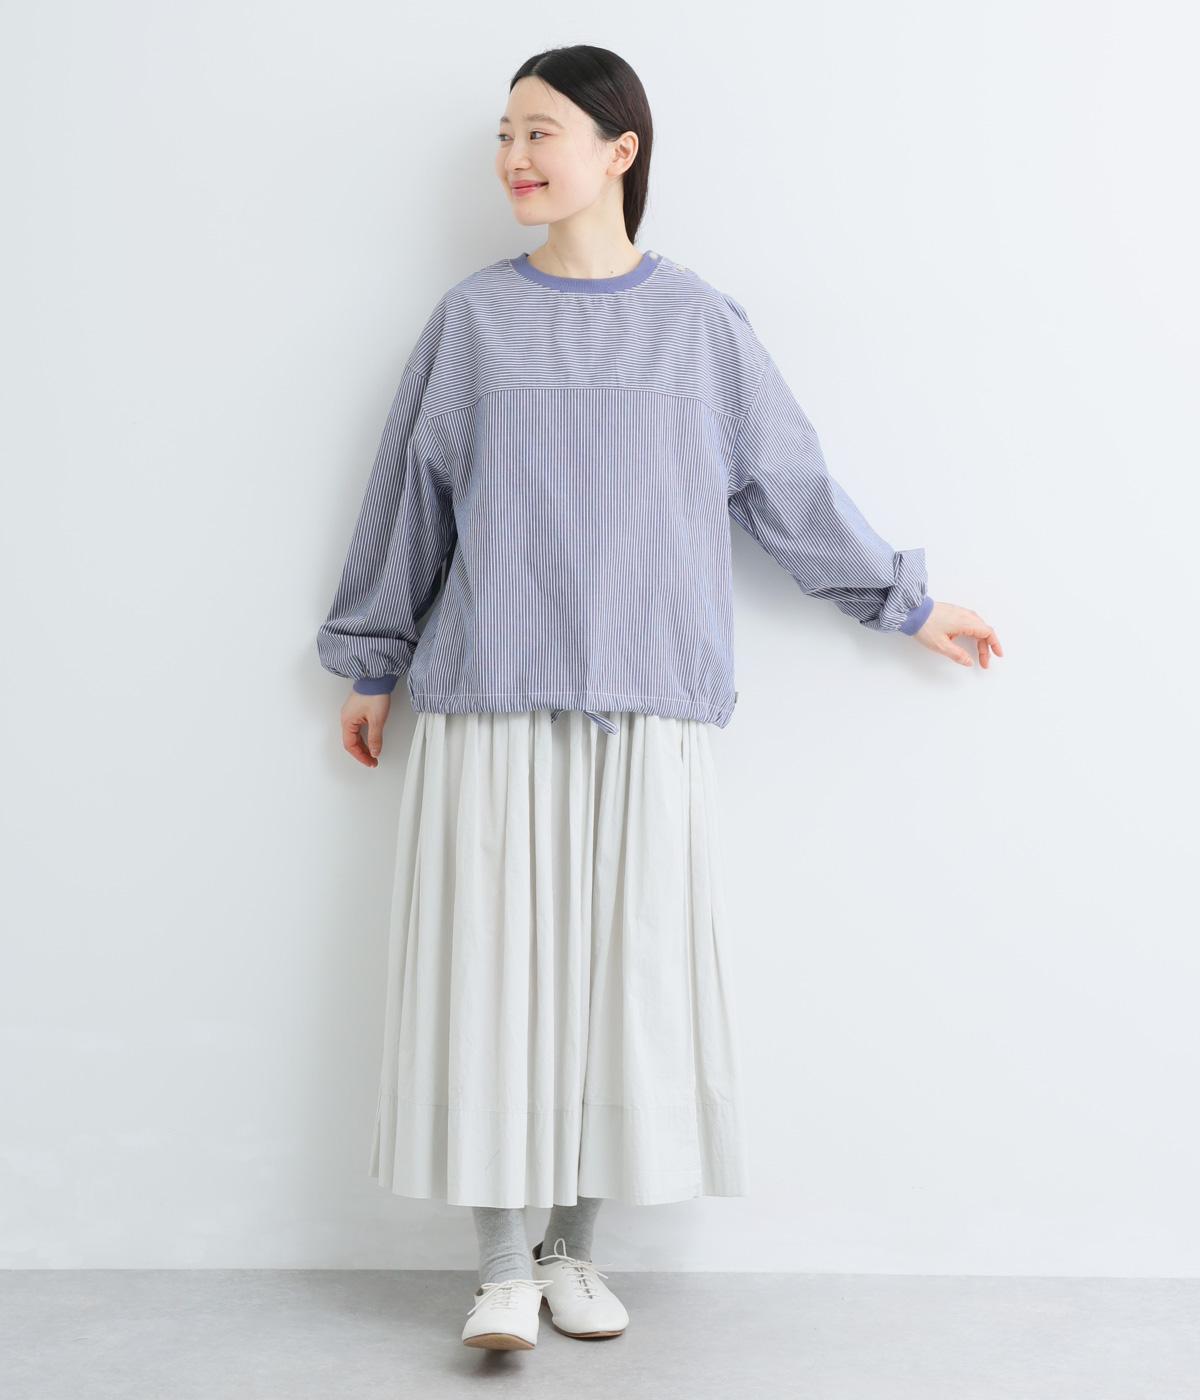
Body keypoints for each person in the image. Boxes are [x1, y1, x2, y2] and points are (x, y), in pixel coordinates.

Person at [316, 44, 1003, 1353]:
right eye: (505, 134)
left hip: (648, 703)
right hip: (493, 698)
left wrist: (907, 603)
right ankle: (500, 1270)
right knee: (494, 987)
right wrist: (372, 658)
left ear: (619, 149)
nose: (515, 158)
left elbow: (788, 488)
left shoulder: (700, 325)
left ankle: (573, 1252)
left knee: (609, 991)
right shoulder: (473, 320)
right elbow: (411, 497)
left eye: (541, 132)